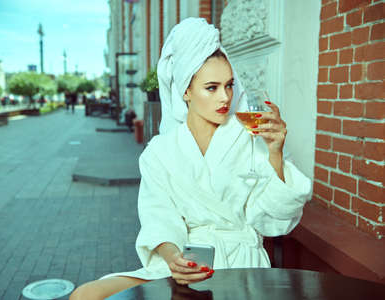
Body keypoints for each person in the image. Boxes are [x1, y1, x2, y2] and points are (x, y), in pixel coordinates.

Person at [70, 18, 311, 300]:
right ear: (186, 91)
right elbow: (158, 217)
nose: (225, 97)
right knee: (86, 294)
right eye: (212, 87)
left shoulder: (248, 137)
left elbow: (274, 222)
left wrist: (275, 152)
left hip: (240, 264)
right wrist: (174, 260)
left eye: (229, 85)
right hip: (185, 261)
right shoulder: (160, 151)